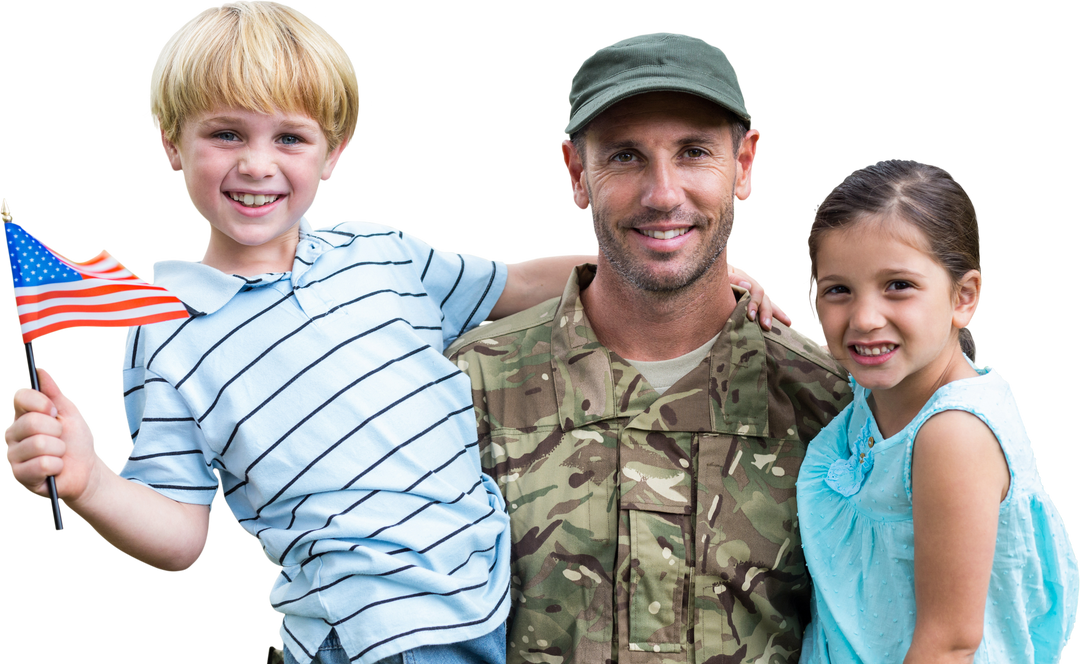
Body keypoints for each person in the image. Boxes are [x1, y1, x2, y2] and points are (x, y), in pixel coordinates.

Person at [2, 6, 783, 664]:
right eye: (226, 135)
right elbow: (181, 535)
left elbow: (511, 283)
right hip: (371, 630)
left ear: (334, 154)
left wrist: (693, 270)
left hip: (487, 606)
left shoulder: (380, 252)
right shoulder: (165, 331)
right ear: (172, 144)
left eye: (290, 138)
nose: (258, 165)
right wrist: (92, 482)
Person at [445, 30, 853, 663]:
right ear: (576, 174)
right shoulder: (466, 389)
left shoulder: (832, 403)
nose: (663, 194)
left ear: (745, 164)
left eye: (693, 152)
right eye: (626, 157)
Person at [796, 155, 1079, 663]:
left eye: (897, 286)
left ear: (964, 297)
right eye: (838, 290)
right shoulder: (884, 389)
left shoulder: (954, 435)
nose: (863, 318)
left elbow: (949, 645)